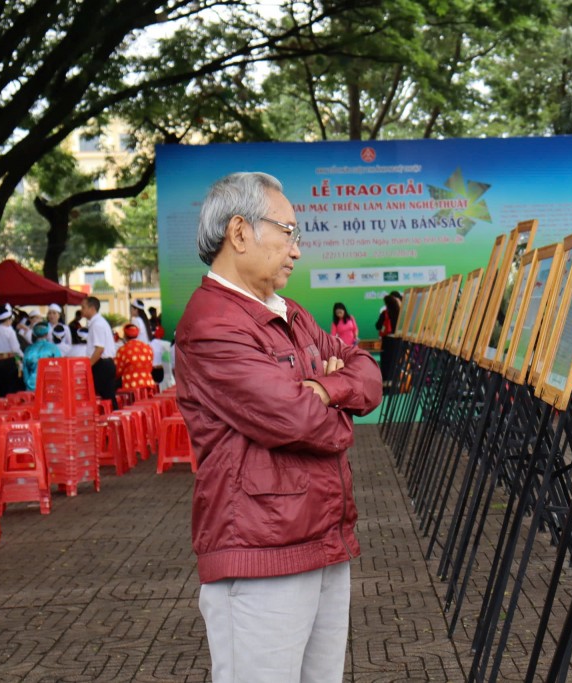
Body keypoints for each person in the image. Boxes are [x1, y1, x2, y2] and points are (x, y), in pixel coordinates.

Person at [176, 171, 381, 683]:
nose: (296, 249)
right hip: (261, 554)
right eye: (288, 232)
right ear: (240, 232)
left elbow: (369, 376)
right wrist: (327, 403)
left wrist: (325, 389)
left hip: (323, 538)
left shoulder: (289, 313)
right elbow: (303, 422)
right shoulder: (212, 325)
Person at [81, 296, 118, 404]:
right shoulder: (98, 323)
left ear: (92, 309)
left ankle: (113, 418)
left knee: (106, 398)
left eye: (83, 307)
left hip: (101, 365)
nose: (81, 310)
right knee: (108, 397)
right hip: (103, 364)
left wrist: (88, 365)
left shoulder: (97, 324)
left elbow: (99, 349)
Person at [0, 303, 23, 396]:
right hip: (9, 361)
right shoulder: (10, 331)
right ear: (9, 319)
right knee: (10, 387)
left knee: (1, 386)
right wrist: (22, 356)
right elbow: (15, 348)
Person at [22, 321, 61, 391]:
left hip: (32, 384)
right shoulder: (53, 348)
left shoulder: (28, 349)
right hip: (49, 385)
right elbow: (59, 367)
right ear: (47, 334)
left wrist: (28, 384)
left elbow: (25, 370)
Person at [115, 323, 155, 390]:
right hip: (148, 383)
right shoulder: (148, 348)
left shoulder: (122, 350)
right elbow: (150, 366)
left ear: (125, 335)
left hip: (130, 385)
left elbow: (117, 371)